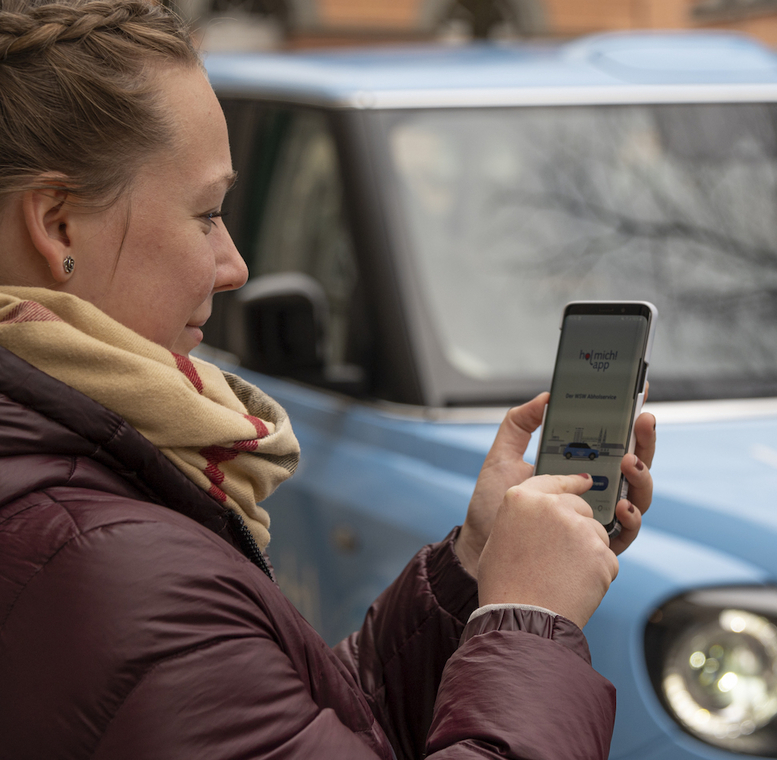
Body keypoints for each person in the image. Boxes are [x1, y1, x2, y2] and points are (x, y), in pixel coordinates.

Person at [0, 1, 656, 758]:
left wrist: (471, 572)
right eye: (207, 214)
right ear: (57, 225)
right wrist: (529, 620)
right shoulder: (101, 561)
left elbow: (299, 728)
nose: (234, 266)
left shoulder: (74, 498)